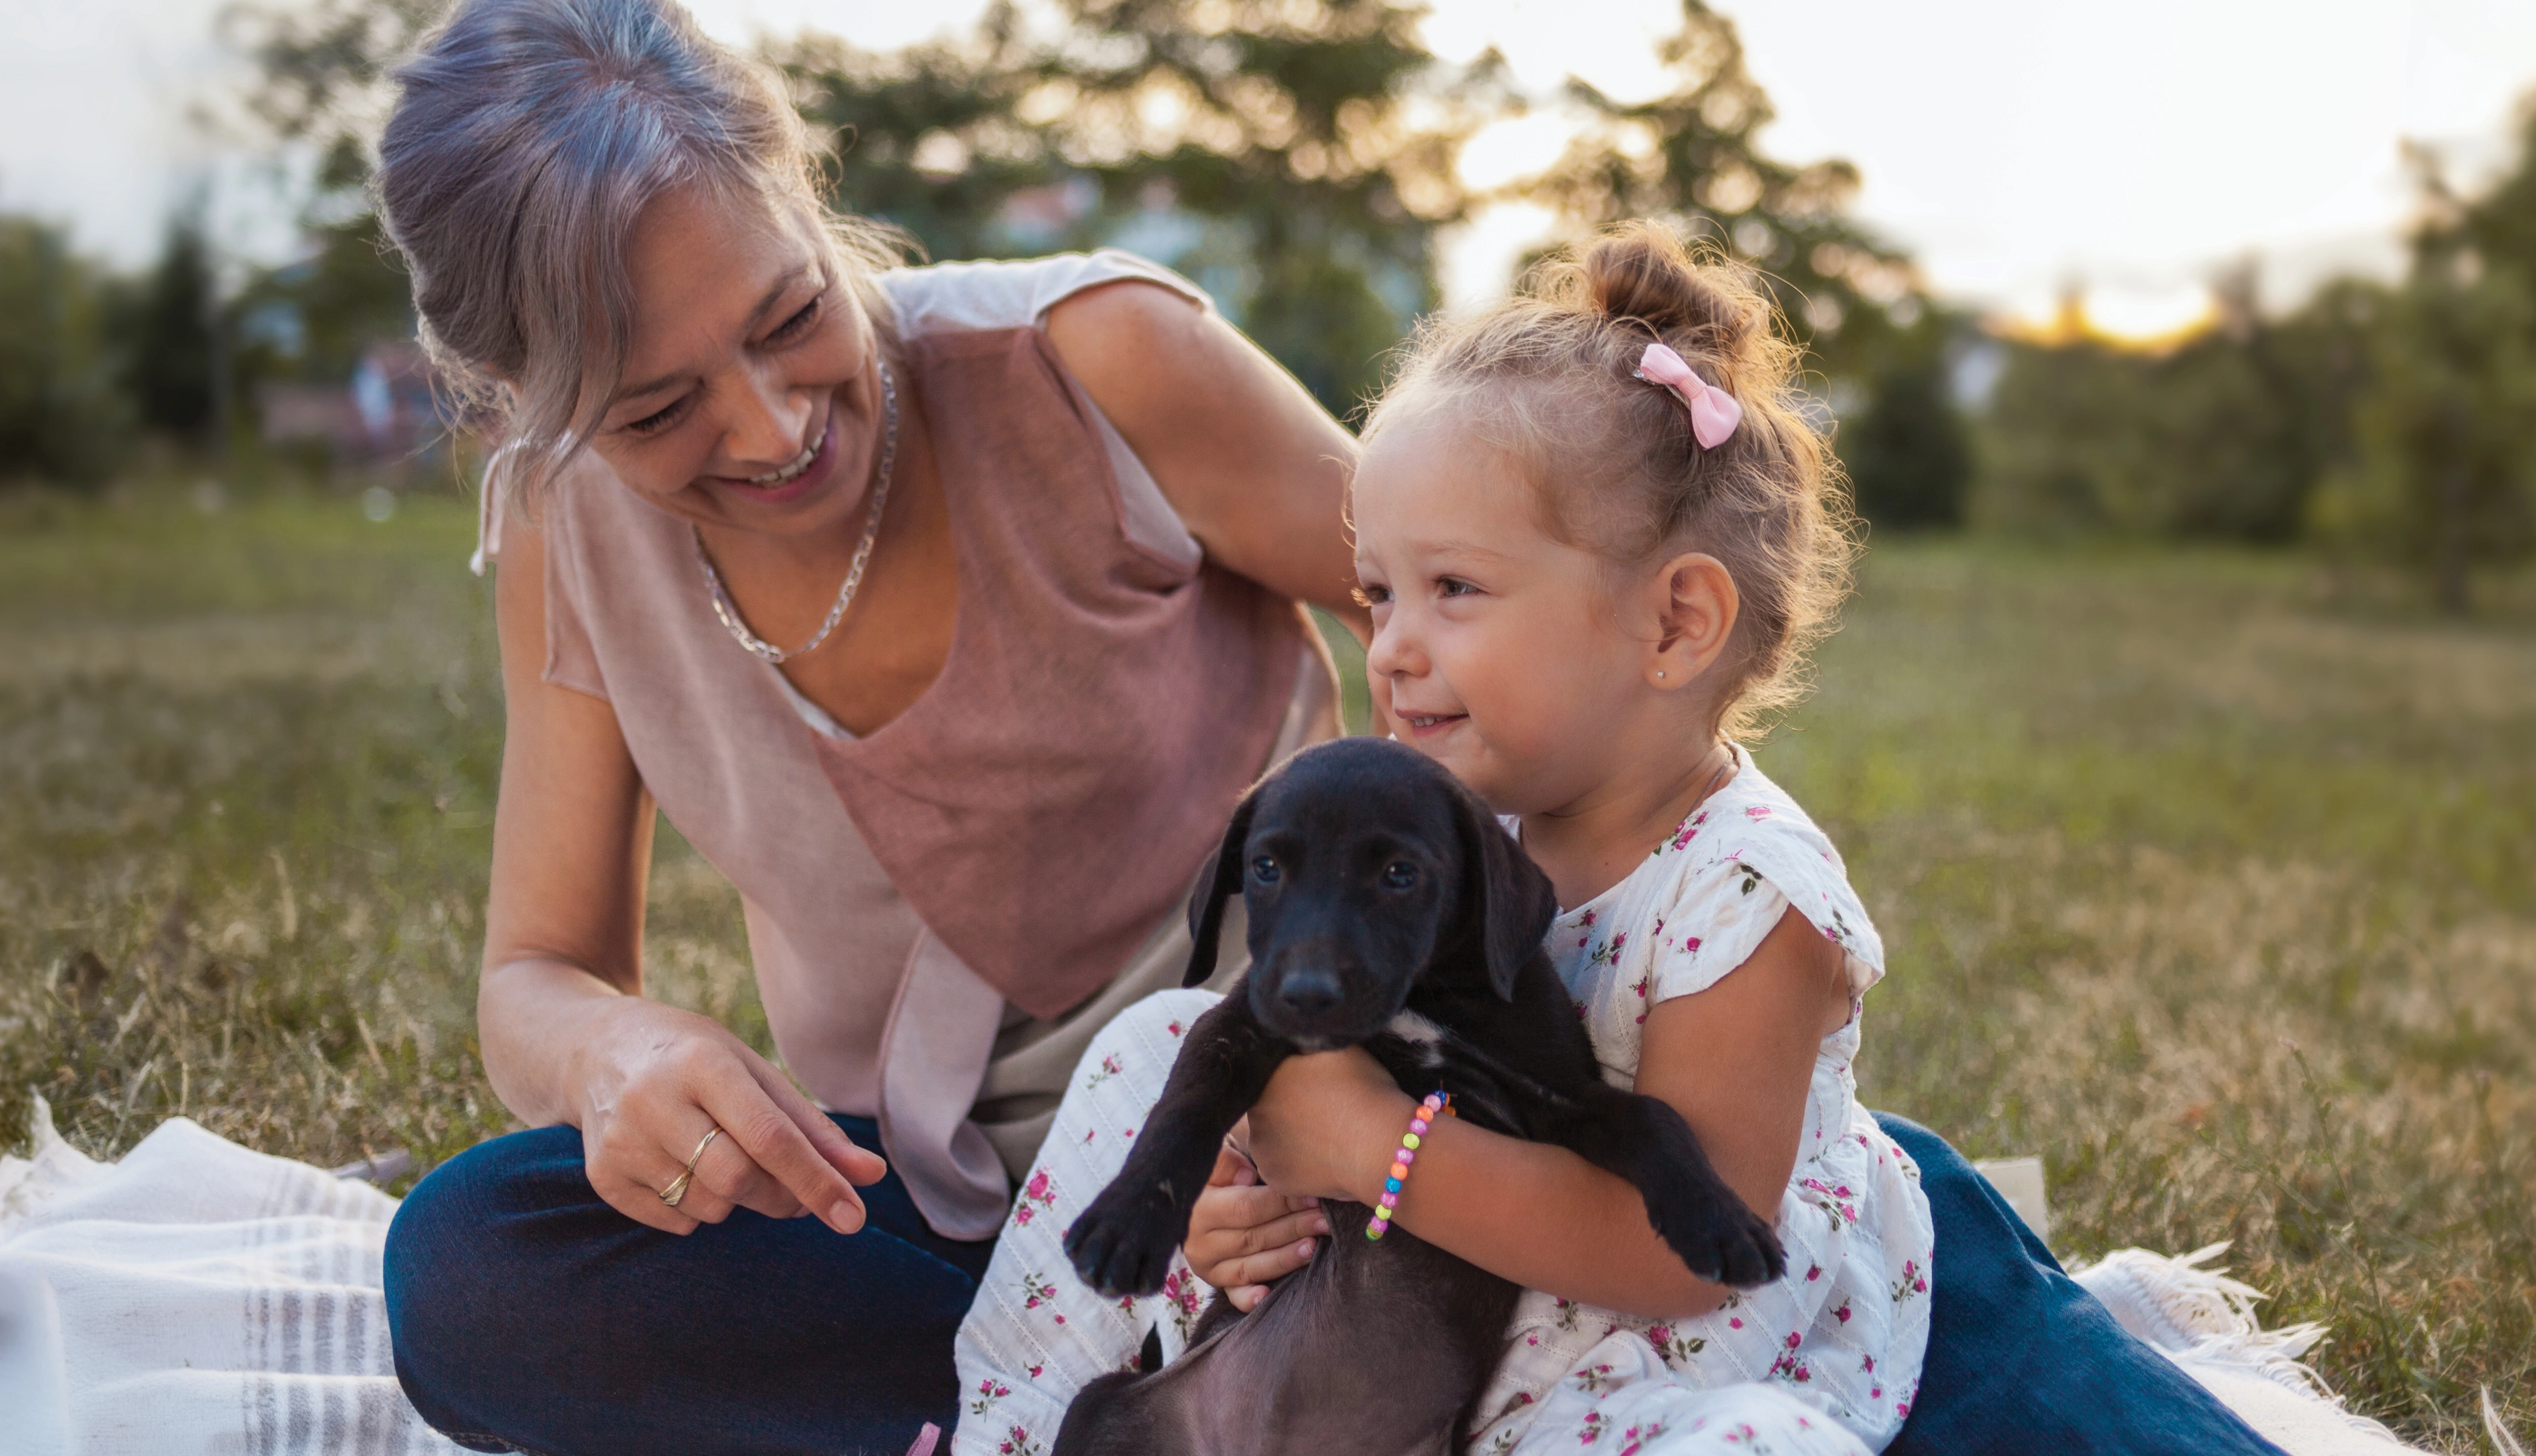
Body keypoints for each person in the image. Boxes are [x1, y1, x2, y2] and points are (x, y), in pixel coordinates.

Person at [942, 228, 2313, 1456]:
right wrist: (1235, 1192)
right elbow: (1316, 1072)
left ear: (1672, 625)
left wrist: (1372, 1150)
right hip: (1395, 1320)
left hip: (1651, 1367)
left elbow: (1683, 1259)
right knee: (1156, 1048)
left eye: (1454, 589)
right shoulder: (1447, 832)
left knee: (1757, 1446)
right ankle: (1008, 1427)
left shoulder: (1745, 895)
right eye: (1376, 591)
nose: (1393, 643)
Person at [364, 1, 1368, 1451]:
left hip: (1271, 1165)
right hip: (933, 1223)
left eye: (791, 317)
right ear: (526, 404)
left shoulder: (1097, 365)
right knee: (470, 1267)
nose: (773, 429)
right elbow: (541, 969)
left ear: (809, 201)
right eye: (655, 413)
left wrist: (1345, 1075)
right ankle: (1137, 1419)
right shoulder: (563, 531)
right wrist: (612, 1059)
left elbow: (1471, 644)